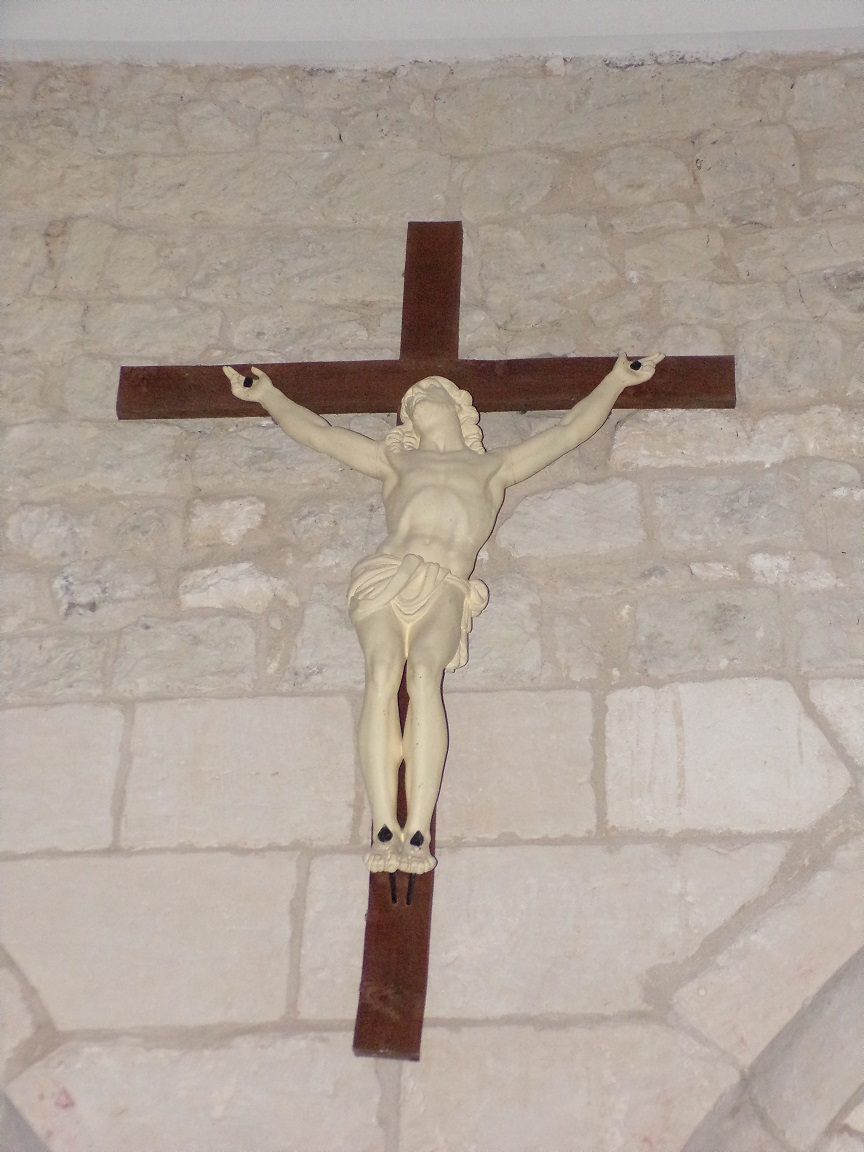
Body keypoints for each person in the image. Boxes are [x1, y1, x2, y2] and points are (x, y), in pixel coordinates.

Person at [223, 354, 663, 874]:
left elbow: (568, 432)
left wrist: (615, 379)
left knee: (425, 673)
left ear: (456, 407)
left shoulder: (492, 468)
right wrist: (268, 395)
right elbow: (320, 435)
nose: (411, 406)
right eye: (408, 405)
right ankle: (384, 821)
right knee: (383, 673)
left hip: (447, 583)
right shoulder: (397, 463)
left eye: (421, 397)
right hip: (387, 574)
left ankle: (417, 828)